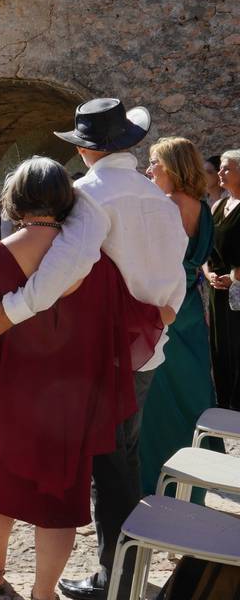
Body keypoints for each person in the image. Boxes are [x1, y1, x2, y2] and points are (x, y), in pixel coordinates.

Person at [0, 99, 188, 600]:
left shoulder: (86, 197)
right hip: (147, 347)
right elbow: (177, 271)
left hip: (102, 353)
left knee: (98, 472)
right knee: (123, 466)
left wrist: (11, 312)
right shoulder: (159, 199)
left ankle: (114, 577)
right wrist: (165, 314)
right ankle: (122, 571)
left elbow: (69, 267)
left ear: (85, 149)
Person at [140, 137, 223, 501]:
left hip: (165, 309)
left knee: (159, 401)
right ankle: (194, 484)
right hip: (190, 309)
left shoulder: (166, 206)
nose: (149, 169)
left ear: (171, 166)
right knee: (192, 395)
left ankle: (159, 485)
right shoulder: (203, 209)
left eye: (154, 163)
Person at [204, 149, 240, 411]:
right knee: (221, 347)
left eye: (227, 168)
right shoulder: (218, 206)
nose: (220, 172)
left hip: (237, 288)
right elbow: (206, 247)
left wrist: (235, 278)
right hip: (218, 289)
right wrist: (208, 274)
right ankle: (225, 404)